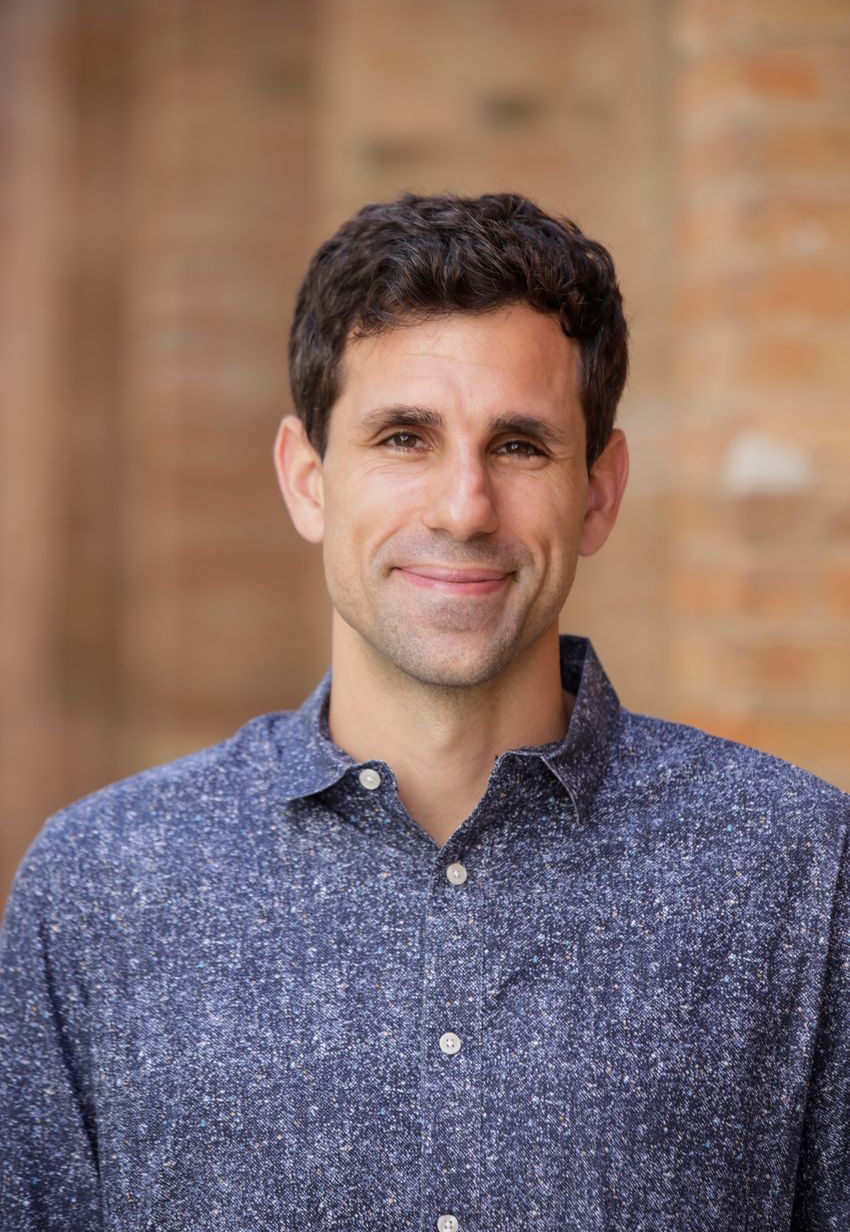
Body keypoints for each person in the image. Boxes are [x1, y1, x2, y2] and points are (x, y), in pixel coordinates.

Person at [0, 192, 847, 1231]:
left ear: (598, 492)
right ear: (307, 481)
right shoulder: (102, 887)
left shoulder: (798, 868)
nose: (461, 506)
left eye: (521, 445)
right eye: (404, 437)